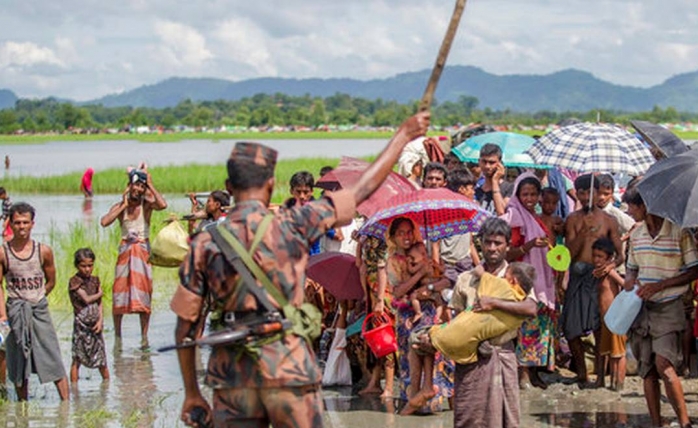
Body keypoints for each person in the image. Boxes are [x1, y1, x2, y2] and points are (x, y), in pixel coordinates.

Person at [170, 112, 430, 427]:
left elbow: (186, 327)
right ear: (270, 185)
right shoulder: (292, 224)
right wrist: (402, 136)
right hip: (288, 369)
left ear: (228, 186)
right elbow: (361, 189)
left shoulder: (204, 243)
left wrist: (192, 393)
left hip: (233, 374)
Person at [622, 186, 698, 428]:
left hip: (669, 306)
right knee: (648, 371)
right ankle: (657, 422)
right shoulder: (636, 235)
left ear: (644, 206)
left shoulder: (679, 232)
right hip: (643, 307)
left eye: (632, 206)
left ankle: (684, 422)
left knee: (664, 365)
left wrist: (662, 285)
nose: (629, 211)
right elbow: (632, 265)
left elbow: (694, 269)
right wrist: (629, 279)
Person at [451, 218, 537, 428]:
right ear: (480, 243)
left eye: (498, 243)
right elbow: (456, 320)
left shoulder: (516, 278)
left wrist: (494, 303)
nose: (492, 248)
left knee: (506, 418)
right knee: (467, 417)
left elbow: (531, 308)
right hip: (471, 359)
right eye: (487, 242)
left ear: (507, 245)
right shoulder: (466, 279)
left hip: (502, 354)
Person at [0, 202, 69, 401]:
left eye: (25, 223)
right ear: (10, 225)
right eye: (17, 223)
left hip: (38, 309)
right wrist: (4, 315)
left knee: (52, 355)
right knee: (18, 358)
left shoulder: (43, 251)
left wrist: (37, 298)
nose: (22, 227)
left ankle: (66, 405)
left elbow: (51, 281)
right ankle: (23, 406)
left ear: (32, 224)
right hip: (15, 310)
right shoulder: (3, 253)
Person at [561, 174, 623, 386]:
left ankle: (600, 377)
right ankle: (581, 374)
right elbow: (568, 253)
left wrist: (610, 266)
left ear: (598, 193)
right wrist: (584, 232)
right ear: (576, 194)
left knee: (599, 328)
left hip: (599, 279)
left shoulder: (609, 221)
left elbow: (620, 254)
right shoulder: (572, 219)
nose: (586, 196)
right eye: (582, 192)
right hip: (577, 277)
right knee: (570, 329)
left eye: (590, 192)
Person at [388, 217, 452, 413]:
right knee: (410, 355)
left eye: (409, 232)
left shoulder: (420, 253)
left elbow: (445, 281)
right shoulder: (392, 262)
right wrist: (419, 275)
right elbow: (397, 292)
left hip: (429, 311)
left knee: (433, 354)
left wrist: (430, 286)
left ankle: (431, 399)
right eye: (401, 233)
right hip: (408, 315)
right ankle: (413, 400)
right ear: (393, 237)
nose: (406, 237)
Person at [501, 173, 557, 390]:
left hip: (542, 280)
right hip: (523, 283)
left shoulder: (536, 217)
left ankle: (534, 372)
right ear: (518, 194)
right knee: (525, 326)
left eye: (534, 194)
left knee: (540, 327)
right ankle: (523, 373)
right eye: (525, 194)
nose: (529, 198)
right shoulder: (515, 216)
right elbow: (509, 253)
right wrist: (530, 245)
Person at [100, 166, 167, 342]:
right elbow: (104, 222)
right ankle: (118, 336)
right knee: (119, 292)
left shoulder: (146, 205)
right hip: (125, 251)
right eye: (135, 186)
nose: (138, 189)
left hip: (142, 251)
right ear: (129, 186)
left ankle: (144, 337)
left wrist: (151, 185)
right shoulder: (121, 206)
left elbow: (163, 205)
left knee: (144, 292)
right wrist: (123, 204)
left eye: (141, 187)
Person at [590, 238, 626, 391]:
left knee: (618, 353)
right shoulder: (600, 273)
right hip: (607, 319)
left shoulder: (610, 272)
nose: (596, 260)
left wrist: (611, 270)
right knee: (610, 352)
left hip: (615, 318)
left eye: (600, 257)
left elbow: (624, 285)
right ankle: (611, 381)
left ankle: (618, 383)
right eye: (595, 256)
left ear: (609, 258)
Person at [69, 248, 109, 383]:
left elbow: (99, 304)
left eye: (90, 265)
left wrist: (100, 321)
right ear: (77, 265)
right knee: (77, 358)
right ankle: (74, 391)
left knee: (101, 358)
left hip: (95, 325)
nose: (87, 269)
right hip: (81, 325)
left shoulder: (95, 280)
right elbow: (86, 299)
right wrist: (100, 293)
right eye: (83, 266)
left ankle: (106, 388)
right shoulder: (74, 281)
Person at [406, 242, 446, 329]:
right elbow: (443, 270)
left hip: (425, 289)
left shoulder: (422, 263)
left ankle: (418, 312)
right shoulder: (431, 261)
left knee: (414, 297)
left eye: (413, 257)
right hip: (434, 289)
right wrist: (437, 265)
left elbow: (411, 271)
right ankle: (438, 317)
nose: (413, 260)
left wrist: (408, 263)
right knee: (439, 304)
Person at [474, 143, 513, 216]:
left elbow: (502, 212)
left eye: (492, 162)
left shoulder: (509, 188)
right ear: (479, 162)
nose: (487, 166)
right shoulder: (475, 189)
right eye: (484, 162)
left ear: (500, 164)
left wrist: (495, 182)